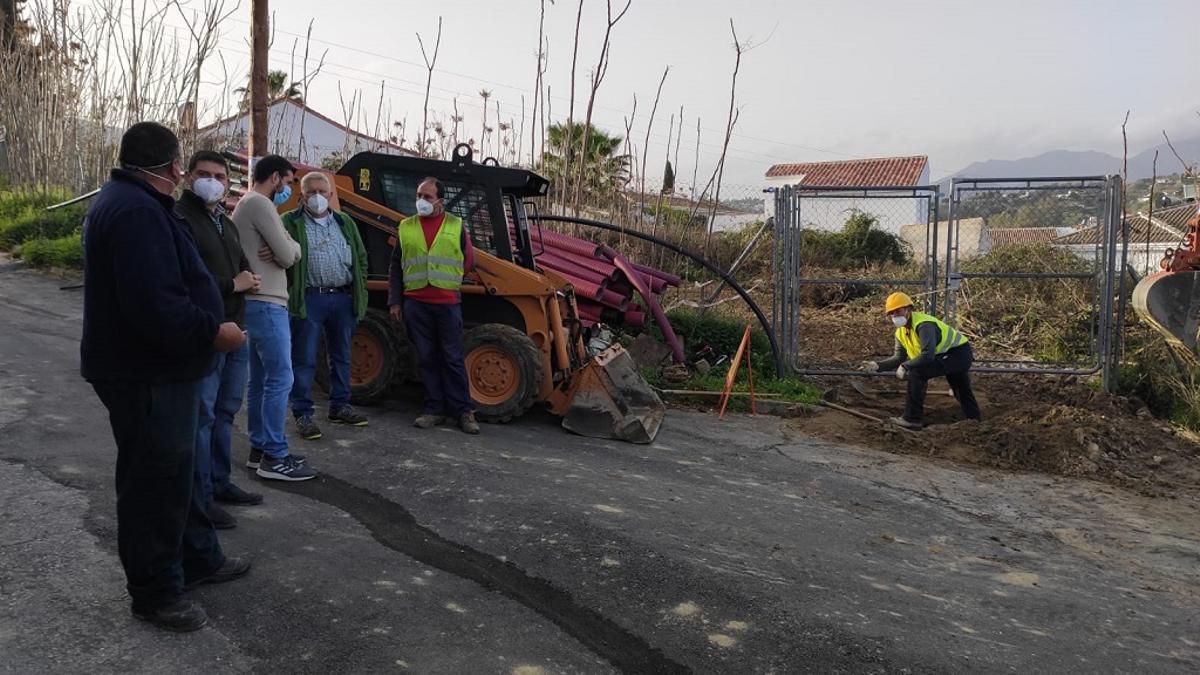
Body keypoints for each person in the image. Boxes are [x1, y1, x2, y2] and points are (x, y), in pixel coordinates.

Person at [82, 122, 250, 632]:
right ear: (173, 167)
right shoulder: (135, 211)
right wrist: (214, 332)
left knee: (178, 475)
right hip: (148, 374)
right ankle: (155, 593)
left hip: (161, 370)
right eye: (184, 165)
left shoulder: (136, 203)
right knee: (154, 484)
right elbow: (155, 307)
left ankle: (198, 557)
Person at [176, 151, 264, 529]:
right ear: (188, 177)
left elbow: (242, 263)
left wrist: (246, 275)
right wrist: (234, 284)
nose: (211, 181)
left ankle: (220, 481)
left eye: (218, 175)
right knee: (203, 416)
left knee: (226, 412)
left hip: (237, 331)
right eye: (203, 174)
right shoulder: (181, 220)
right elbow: (180, 283)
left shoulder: (224, 223)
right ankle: (201, 498)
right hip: (208, 334)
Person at [232, 154, 316, 481]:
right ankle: (275, 456)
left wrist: (285, 245)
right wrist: (290, 248)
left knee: (261, 380)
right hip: (267, 302)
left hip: (255, 302)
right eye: (290, 181)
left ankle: (260, 447)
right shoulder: (261, 204)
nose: (291, 189)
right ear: (277, 178)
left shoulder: (248, 204)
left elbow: (283, 247)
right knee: (281, 378)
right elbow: (287, 253)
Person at [387, 176, 479, 434]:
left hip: (447, 304)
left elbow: (468, 260)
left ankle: (463, 411)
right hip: (416, 304)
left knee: (452, 358)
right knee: (426, 358)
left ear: (440, 201)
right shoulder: (405, 227)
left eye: (427, 197)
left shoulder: (457, 225)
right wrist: (395, 300)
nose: (421, 201)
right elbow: (396, 266)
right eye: (419, 195)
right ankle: (433, 409)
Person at [283, 171, 370, 440]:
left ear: (332, 196)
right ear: (302, 196)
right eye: (312, 192)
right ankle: (303, 413)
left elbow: (361, 257)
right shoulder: (289, 222)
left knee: (342, 355)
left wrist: (359, 289)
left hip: (342, 298)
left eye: (323, 192)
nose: (318, 197)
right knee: (305, 357)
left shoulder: (345, 222)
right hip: (310, 297)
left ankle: (340, 405)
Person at [863, 292, 982, 430]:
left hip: (959, 354)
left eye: (898, 310)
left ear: (908, 309)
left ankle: (912, 419)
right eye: (892, 313)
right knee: (960, 387)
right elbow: (898, 358)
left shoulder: (924, 325)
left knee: (917, 373)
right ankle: (974, 421)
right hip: (948, 355)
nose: (895, 315)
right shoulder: (900, 332)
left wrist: (906, 366)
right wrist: (877, 366)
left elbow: (927, 355)